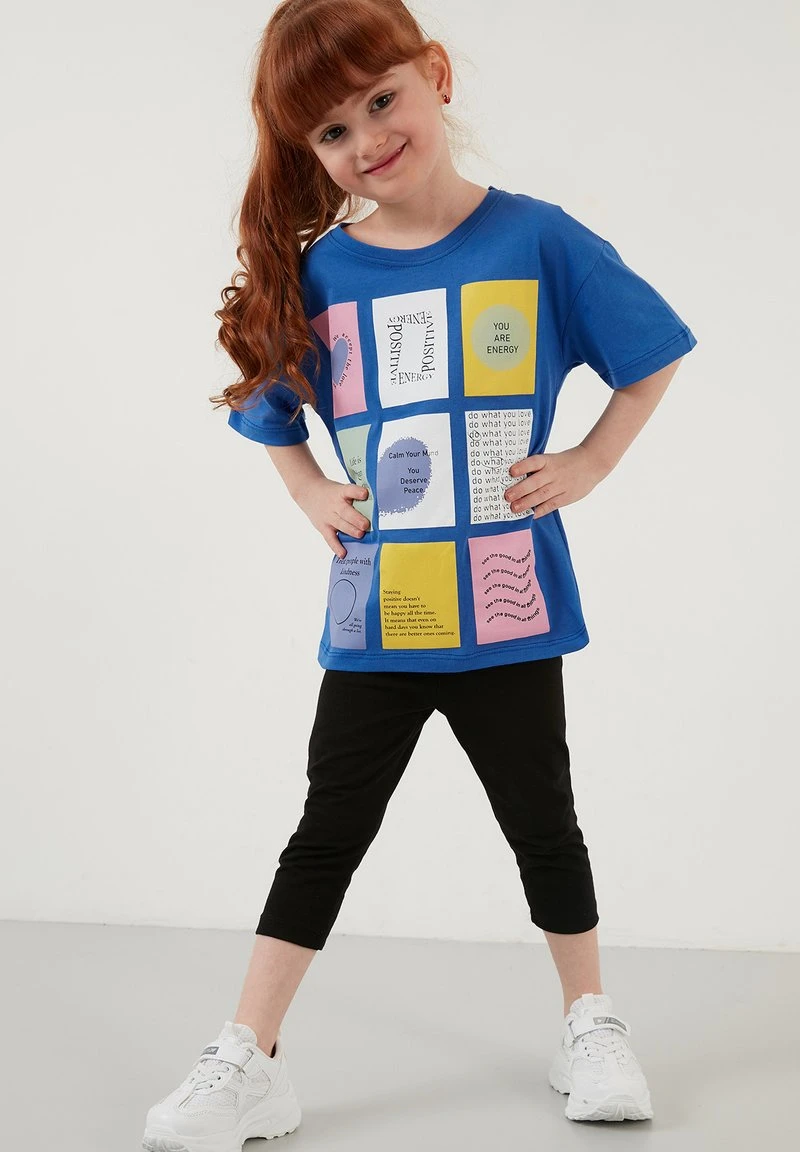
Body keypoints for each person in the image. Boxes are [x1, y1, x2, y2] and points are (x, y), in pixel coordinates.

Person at [143, 0, 698, 1147]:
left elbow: (648, 357)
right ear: (309, 153)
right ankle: (249, 1056)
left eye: (380, 100)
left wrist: (589, 462)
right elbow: (268, 407)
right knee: (325, 833)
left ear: (434, 74)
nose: (367, 140)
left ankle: (588, 1021)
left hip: (508, 610)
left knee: (544, 823)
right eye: (332, 131)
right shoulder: (323, 272)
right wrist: (307, 490)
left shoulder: (537, 240)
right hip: (378, 624)